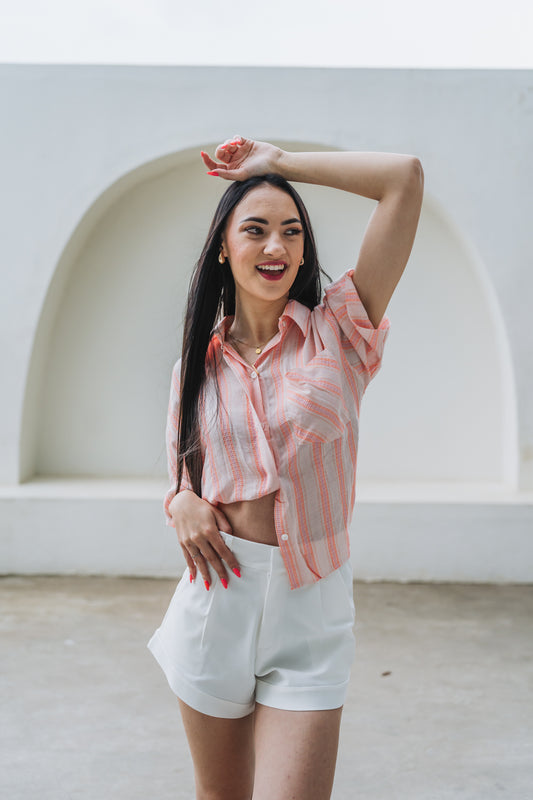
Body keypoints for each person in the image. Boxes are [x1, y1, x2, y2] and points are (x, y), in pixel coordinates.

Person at [147, 135, 424, 800]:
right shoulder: (196, 367)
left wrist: (279, 165)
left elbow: (403, 179)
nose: (276, 247)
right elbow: (185, 476)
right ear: (222, 246)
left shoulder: (341, 330)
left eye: (291, 232)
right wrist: (178, 500)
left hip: (311, 608)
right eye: (256, 230)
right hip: (216, 602)